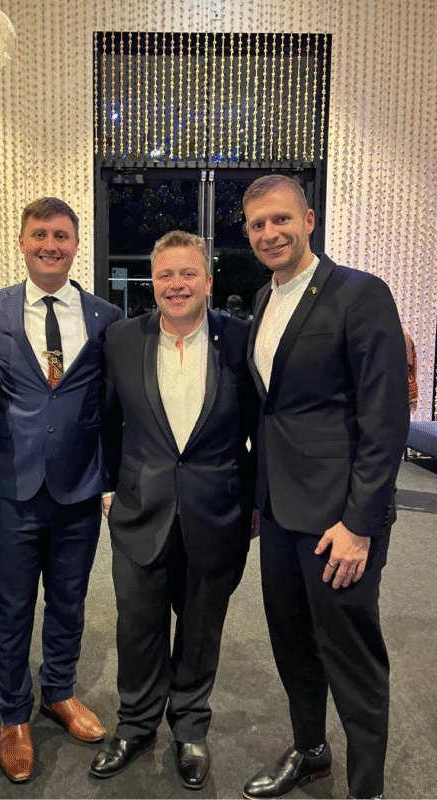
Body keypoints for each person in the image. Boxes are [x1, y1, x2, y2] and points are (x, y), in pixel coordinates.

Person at [241, 175, 409, 800]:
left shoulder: (359, 293)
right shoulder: (264, 296)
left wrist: (360, 524)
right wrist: (258, 498)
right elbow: (275, 410)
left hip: (340, 519)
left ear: (309, 220)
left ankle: (367, 789)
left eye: (280, 219)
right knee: (292, 643)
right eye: (257, 224)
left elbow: (384, 418)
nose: (269, 233)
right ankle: (311, 752)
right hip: (279, 512)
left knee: (351, 656)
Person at [0, 197, 123, 783]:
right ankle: (13, 715)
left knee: (69, 601)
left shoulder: (106, 316)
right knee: (8, 608)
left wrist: (111, 479)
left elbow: (111, 407)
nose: (50, 245)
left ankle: (58, 691)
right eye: (39, 235)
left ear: (76, 244)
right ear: (22, 242)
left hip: (79, 491)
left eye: (60, 235)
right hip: (11, 490)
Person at [90, 231, 256, 790]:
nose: (176, 285)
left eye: (188, 274)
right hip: (140, 509)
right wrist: (108, 487)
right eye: (165, 275)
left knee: (201, 630)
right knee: (137, 627)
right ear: (153, 281)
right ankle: (135, 726)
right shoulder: (121, 339)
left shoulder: (241, 339)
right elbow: (106, 420)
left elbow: (260, 426)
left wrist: (252, 498)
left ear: (208, 281)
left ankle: (190, 727)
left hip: (217, 510)